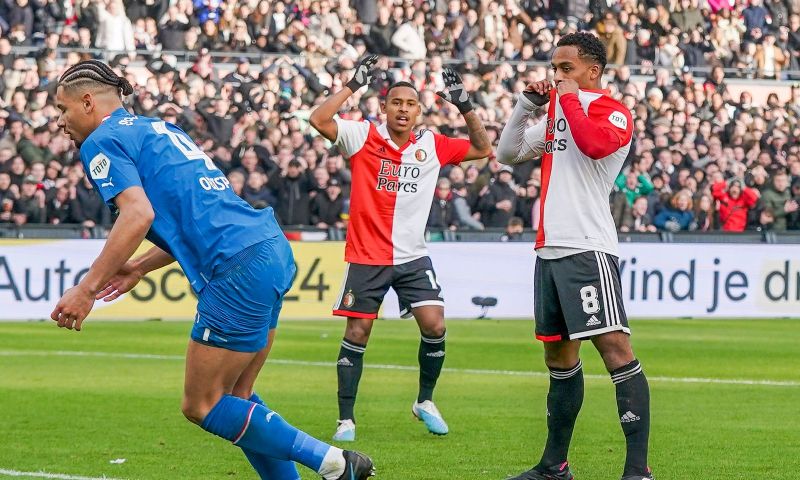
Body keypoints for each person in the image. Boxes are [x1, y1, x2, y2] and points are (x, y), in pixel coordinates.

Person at [49, 60, 375, 480]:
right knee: (238, 394)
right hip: (267, 246)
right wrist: (142, 267)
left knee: (201, 404)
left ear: (88, 102)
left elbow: (136, 216)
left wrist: (87, 289)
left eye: (63, 109)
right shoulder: (160, 130)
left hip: (235, 267)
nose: (60, 121)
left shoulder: (103, 140)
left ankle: (333, 462)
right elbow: (198, 212)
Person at [309, 55, 492, 441]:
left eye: (410, 104)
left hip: (412, 256)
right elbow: (319, 120)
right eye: (396, 102)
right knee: (358, 333)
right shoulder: (361, 135)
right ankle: (346, 419)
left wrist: (464, 105)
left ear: (419, 111)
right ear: (384, 107)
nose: (403, 109)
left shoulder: (433, 145)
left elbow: (482, 148)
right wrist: (352, 84)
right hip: (367, 255)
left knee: (435, 324)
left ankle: (424, 401)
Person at [496, 33, 653, 480]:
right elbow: (507, 153)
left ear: (593, 71)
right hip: (550, 249)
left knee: (615, 349)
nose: (558, 76)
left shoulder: (614, 113)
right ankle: (554, 466)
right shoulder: (553, 117)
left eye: (566, 68)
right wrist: (527, 106)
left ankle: (638, 471)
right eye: (554, 68)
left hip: (588, 247)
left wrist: (565, 101)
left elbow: (594, 145)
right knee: (559, 360)